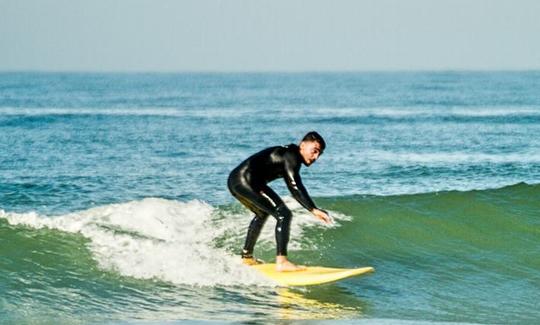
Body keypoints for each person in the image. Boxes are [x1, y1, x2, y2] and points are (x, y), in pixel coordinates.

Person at [227, 131, 331, 272]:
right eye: (314, 151)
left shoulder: (288, 154)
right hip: (247, 181)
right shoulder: (292, 155)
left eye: (319, 154)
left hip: (235, 180)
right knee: (284, 214)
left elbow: (293, 185)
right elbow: (294, 185)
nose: (316, 157)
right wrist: (313, 209)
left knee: (262, 213)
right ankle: (282, 262)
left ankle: (246, 257)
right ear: (303, 145)